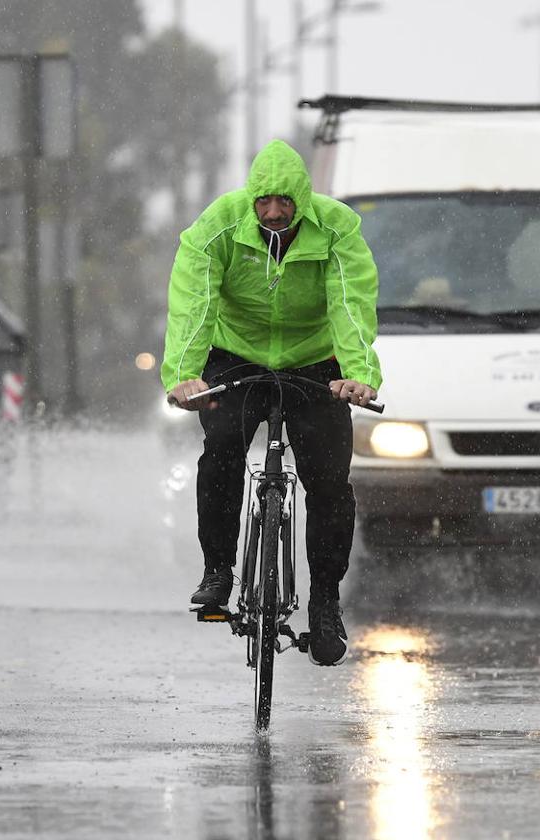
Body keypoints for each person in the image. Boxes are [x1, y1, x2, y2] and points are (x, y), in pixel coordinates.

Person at [161, 139, 382, 666]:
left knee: (330, 482)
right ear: (251, 199)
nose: (275, 212)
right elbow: (195, 304)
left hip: (315, 361)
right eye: (265, 202)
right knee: (220, 451)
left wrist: (357, 375)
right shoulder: (218, 226)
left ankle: (325, 603)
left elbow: (351, 304)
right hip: (236, 357)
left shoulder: (337, 228)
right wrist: (184, 375)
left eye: (286, 202)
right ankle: (218, 570)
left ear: (302, 200)